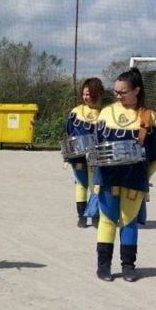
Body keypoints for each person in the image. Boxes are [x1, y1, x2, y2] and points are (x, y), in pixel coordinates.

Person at [92, 67, 156, 282]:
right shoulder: (105, 113)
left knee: (128, 221)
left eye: (123, 92)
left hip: (134, 178)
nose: (118, 96)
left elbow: (154, 156)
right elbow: (96, 147)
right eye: (116, 92)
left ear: (137, 90)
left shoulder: (149, 117)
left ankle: (128, 266)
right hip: (107, 177)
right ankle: (103, 266)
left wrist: (144, 180)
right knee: (107, 220)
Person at [65, 77, 104, 228]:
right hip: (78, 156)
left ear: (98, 93)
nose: (86, 97)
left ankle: (95, 215)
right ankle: (81, 217)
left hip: (96, 156)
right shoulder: (75, 112)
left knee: (95, 185)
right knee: (80, 185)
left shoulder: (104, 113)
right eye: (84, 94)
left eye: (89, 94)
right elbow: (68, 132)